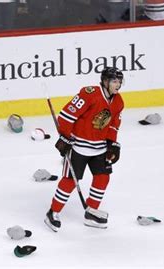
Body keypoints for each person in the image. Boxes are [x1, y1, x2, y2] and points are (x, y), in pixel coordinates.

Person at [44, 67, 124, 232]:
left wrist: (112, 144)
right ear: (105, 81)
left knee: (103, 178)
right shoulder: (89, 94)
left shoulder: (118, 101)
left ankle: (91, 212)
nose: (118, 85)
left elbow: (114, 125)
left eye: (119, 81)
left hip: (100, 147)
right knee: (70, 181)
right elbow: (66, 115)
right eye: (114, 81)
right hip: (78, 146)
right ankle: (53, 212)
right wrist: (65, 136)